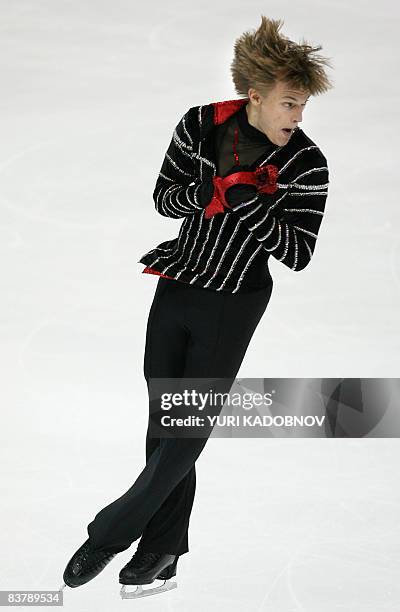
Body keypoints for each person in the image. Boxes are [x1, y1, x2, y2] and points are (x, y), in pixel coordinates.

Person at [61, 15, 333, 598]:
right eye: (289, 104)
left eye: (302, 107)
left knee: (186, 427)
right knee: (165, 420)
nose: (297, 119)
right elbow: (165, 198)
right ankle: (163, 550)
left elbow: (299, 251)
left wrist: (250, 206)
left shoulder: (308, 164)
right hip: (179, 281)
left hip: (233, 301)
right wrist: (213, 190)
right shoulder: (199, 125)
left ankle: (110, 534)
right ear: (255, 97)